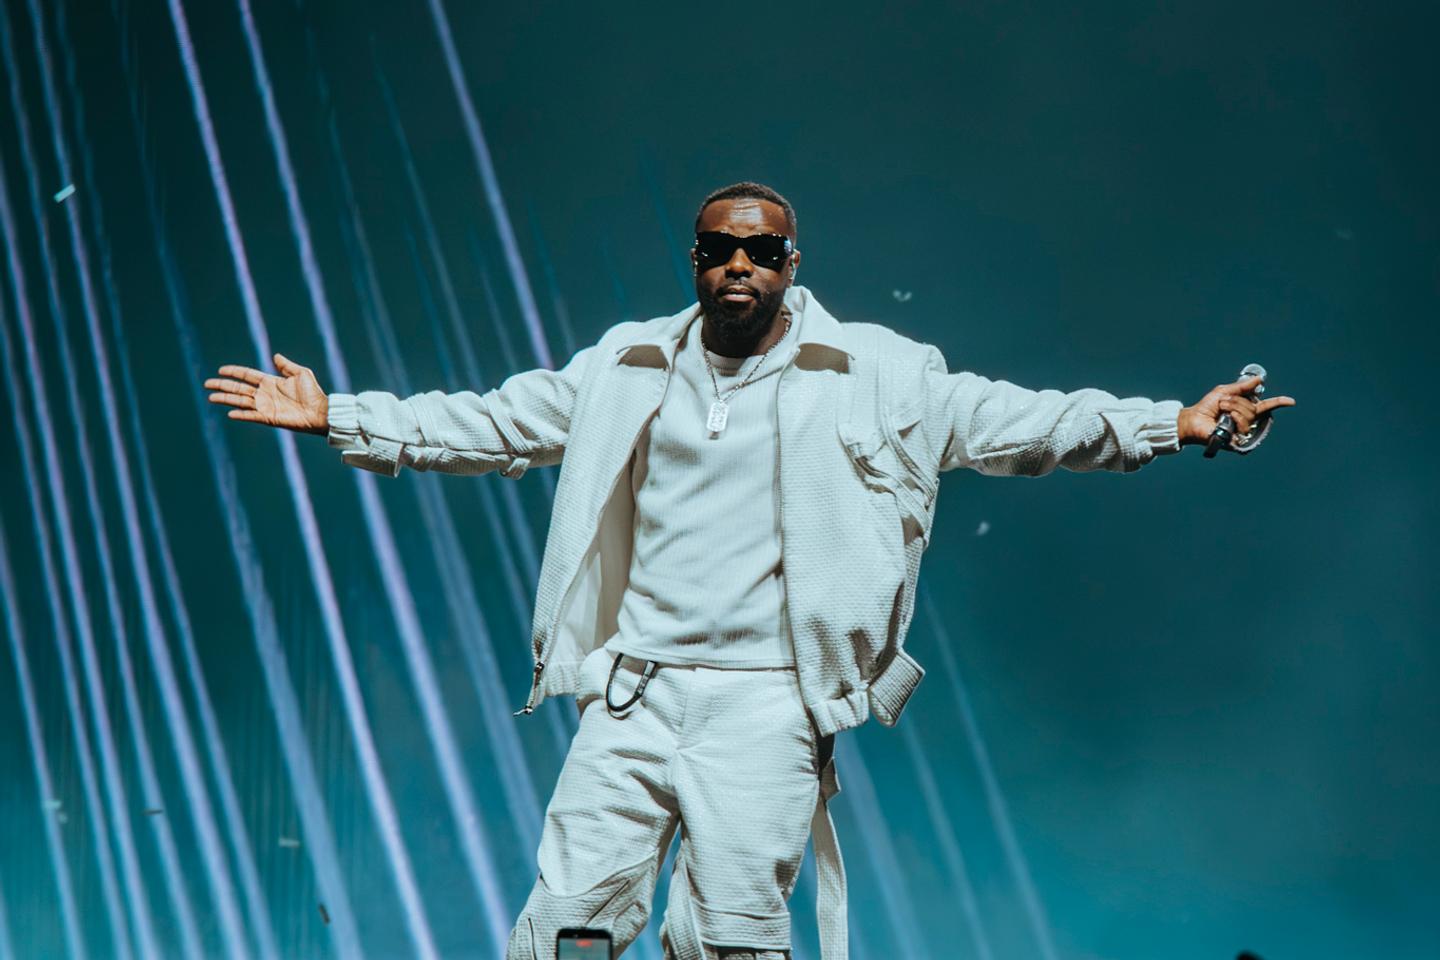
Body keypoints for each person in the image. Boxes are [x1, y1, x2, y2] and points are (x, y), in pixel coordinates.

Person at [204, 181, 1296, 959]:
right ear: (695, 260)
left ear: (790, 264)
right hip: (634, 691)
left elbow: (1025, 423)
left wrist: (1177, 424)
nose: (739, 264)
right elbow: (493, 421)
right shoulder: (629, 364)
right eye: (719, 248)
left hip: (769, 705)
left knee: (731, 938)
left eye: (760, 251)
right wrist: (339, 413)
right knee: (567, 926)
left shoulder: (880, 372)